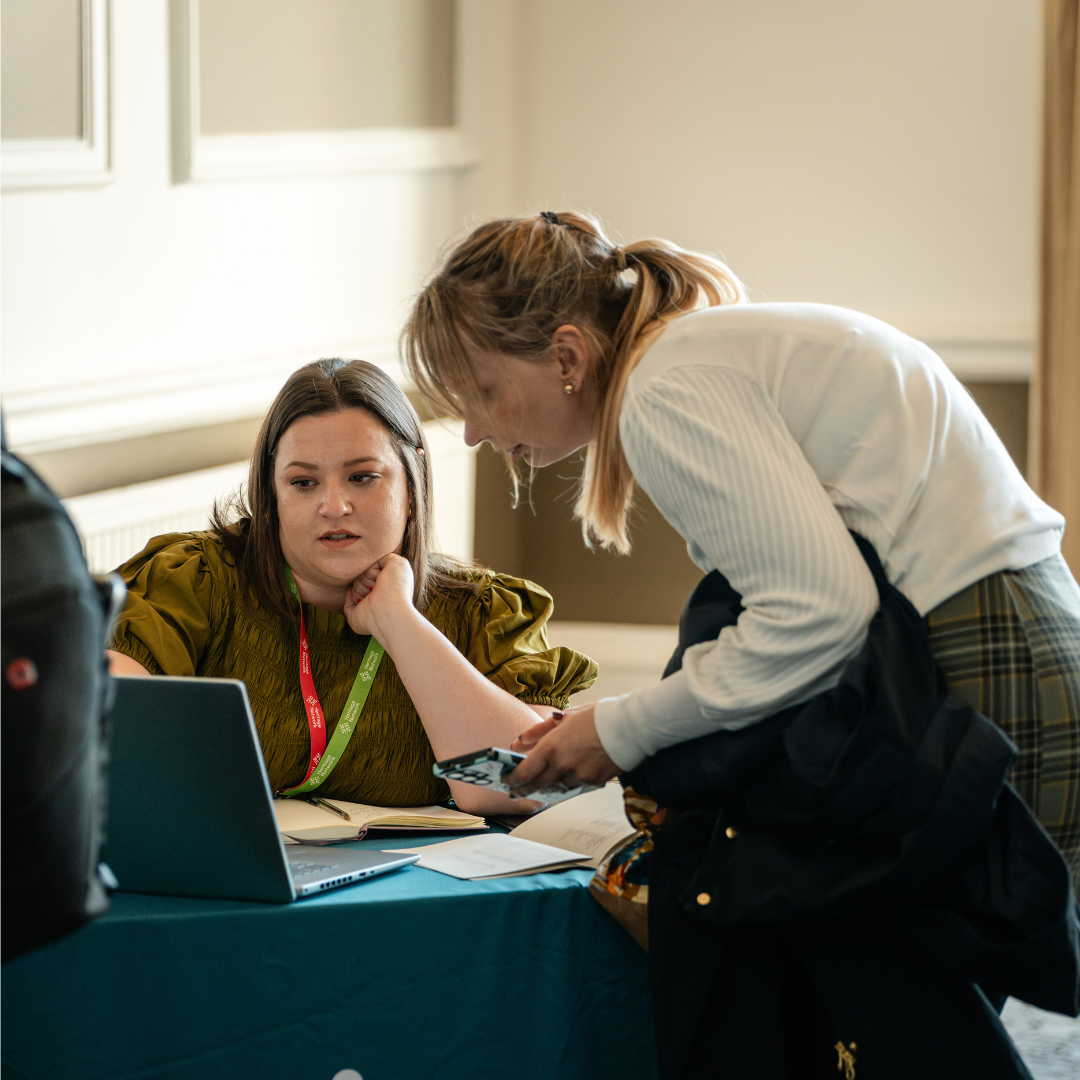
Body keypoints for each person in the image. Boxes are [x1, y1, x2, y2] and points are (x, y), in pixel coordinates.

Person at [401, 210, 1080, 1078]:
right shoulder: (700, 355)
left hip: (986, 655)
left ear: (567, 357)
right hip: (1007, 637)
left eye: (482, 395)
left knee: (882, 992)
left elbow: (815, 613)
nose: (470, 432)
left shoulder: (666, 388)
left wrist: (619, 730)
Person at [106, 358, 596, 816]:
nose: (334, 506)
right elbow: (103, 729)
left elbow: (528, 783)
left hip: (416, 891)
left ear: (411, 486)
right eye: (303, 483)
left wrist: (402, 625)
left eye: (363, 477)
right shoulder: (193, 579)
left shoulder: (484, 611)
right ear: (272, 496)